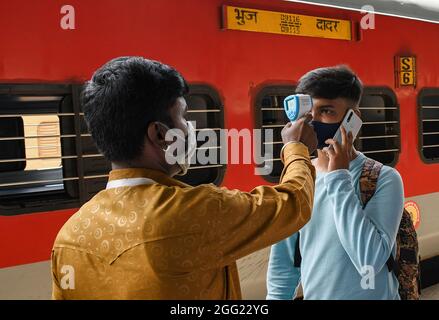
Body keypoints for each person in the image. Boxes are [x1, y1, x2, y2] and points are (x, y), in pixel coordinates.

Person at [51, 56, 317, 299]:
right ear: (159, 134)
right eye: (183, 117)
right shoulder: (194, 211)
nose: (190, 129)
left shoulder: (69, 237)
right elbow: (293, 204)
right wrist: (297, 148)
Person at [266, 65, 405, 300]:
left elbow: (369, 260)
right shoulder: (300, 177)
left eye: (327, 111)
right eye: (309, 112)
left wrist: (337, 176)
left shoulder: (383, 178)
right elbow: (284, 265)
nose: (313, 121)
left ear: (354, 119)